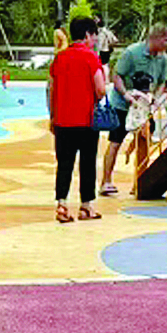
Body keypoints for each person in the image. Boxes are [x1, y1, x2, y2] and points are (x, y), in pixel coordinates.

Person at [99, 23, 167, 195]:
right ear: (155, 38)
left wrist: (155, 98)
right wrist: (126, 94)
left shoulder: (163, 58)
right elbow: (117, 75)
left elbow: (162, 81)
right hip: (123, 104)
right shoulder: (132, 53)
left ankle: (140, 181)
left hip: (144, 107)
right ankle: (106, 181)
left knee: (144, 142)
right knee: (115, 142)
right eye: (165, 40)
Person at [46, 16, 107, 222]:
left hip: (62, 121)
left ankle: (62, 204)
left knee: (64, 164)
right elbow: (100, 89)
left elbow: (51, 89)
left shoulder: (60, 58)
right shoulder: (91, 58)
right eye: (95, 35)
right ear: (88, 35)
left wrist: (53, 116)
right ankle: (86, 206)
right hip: (86, 121)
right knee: (87, 163)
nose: (95, 40)